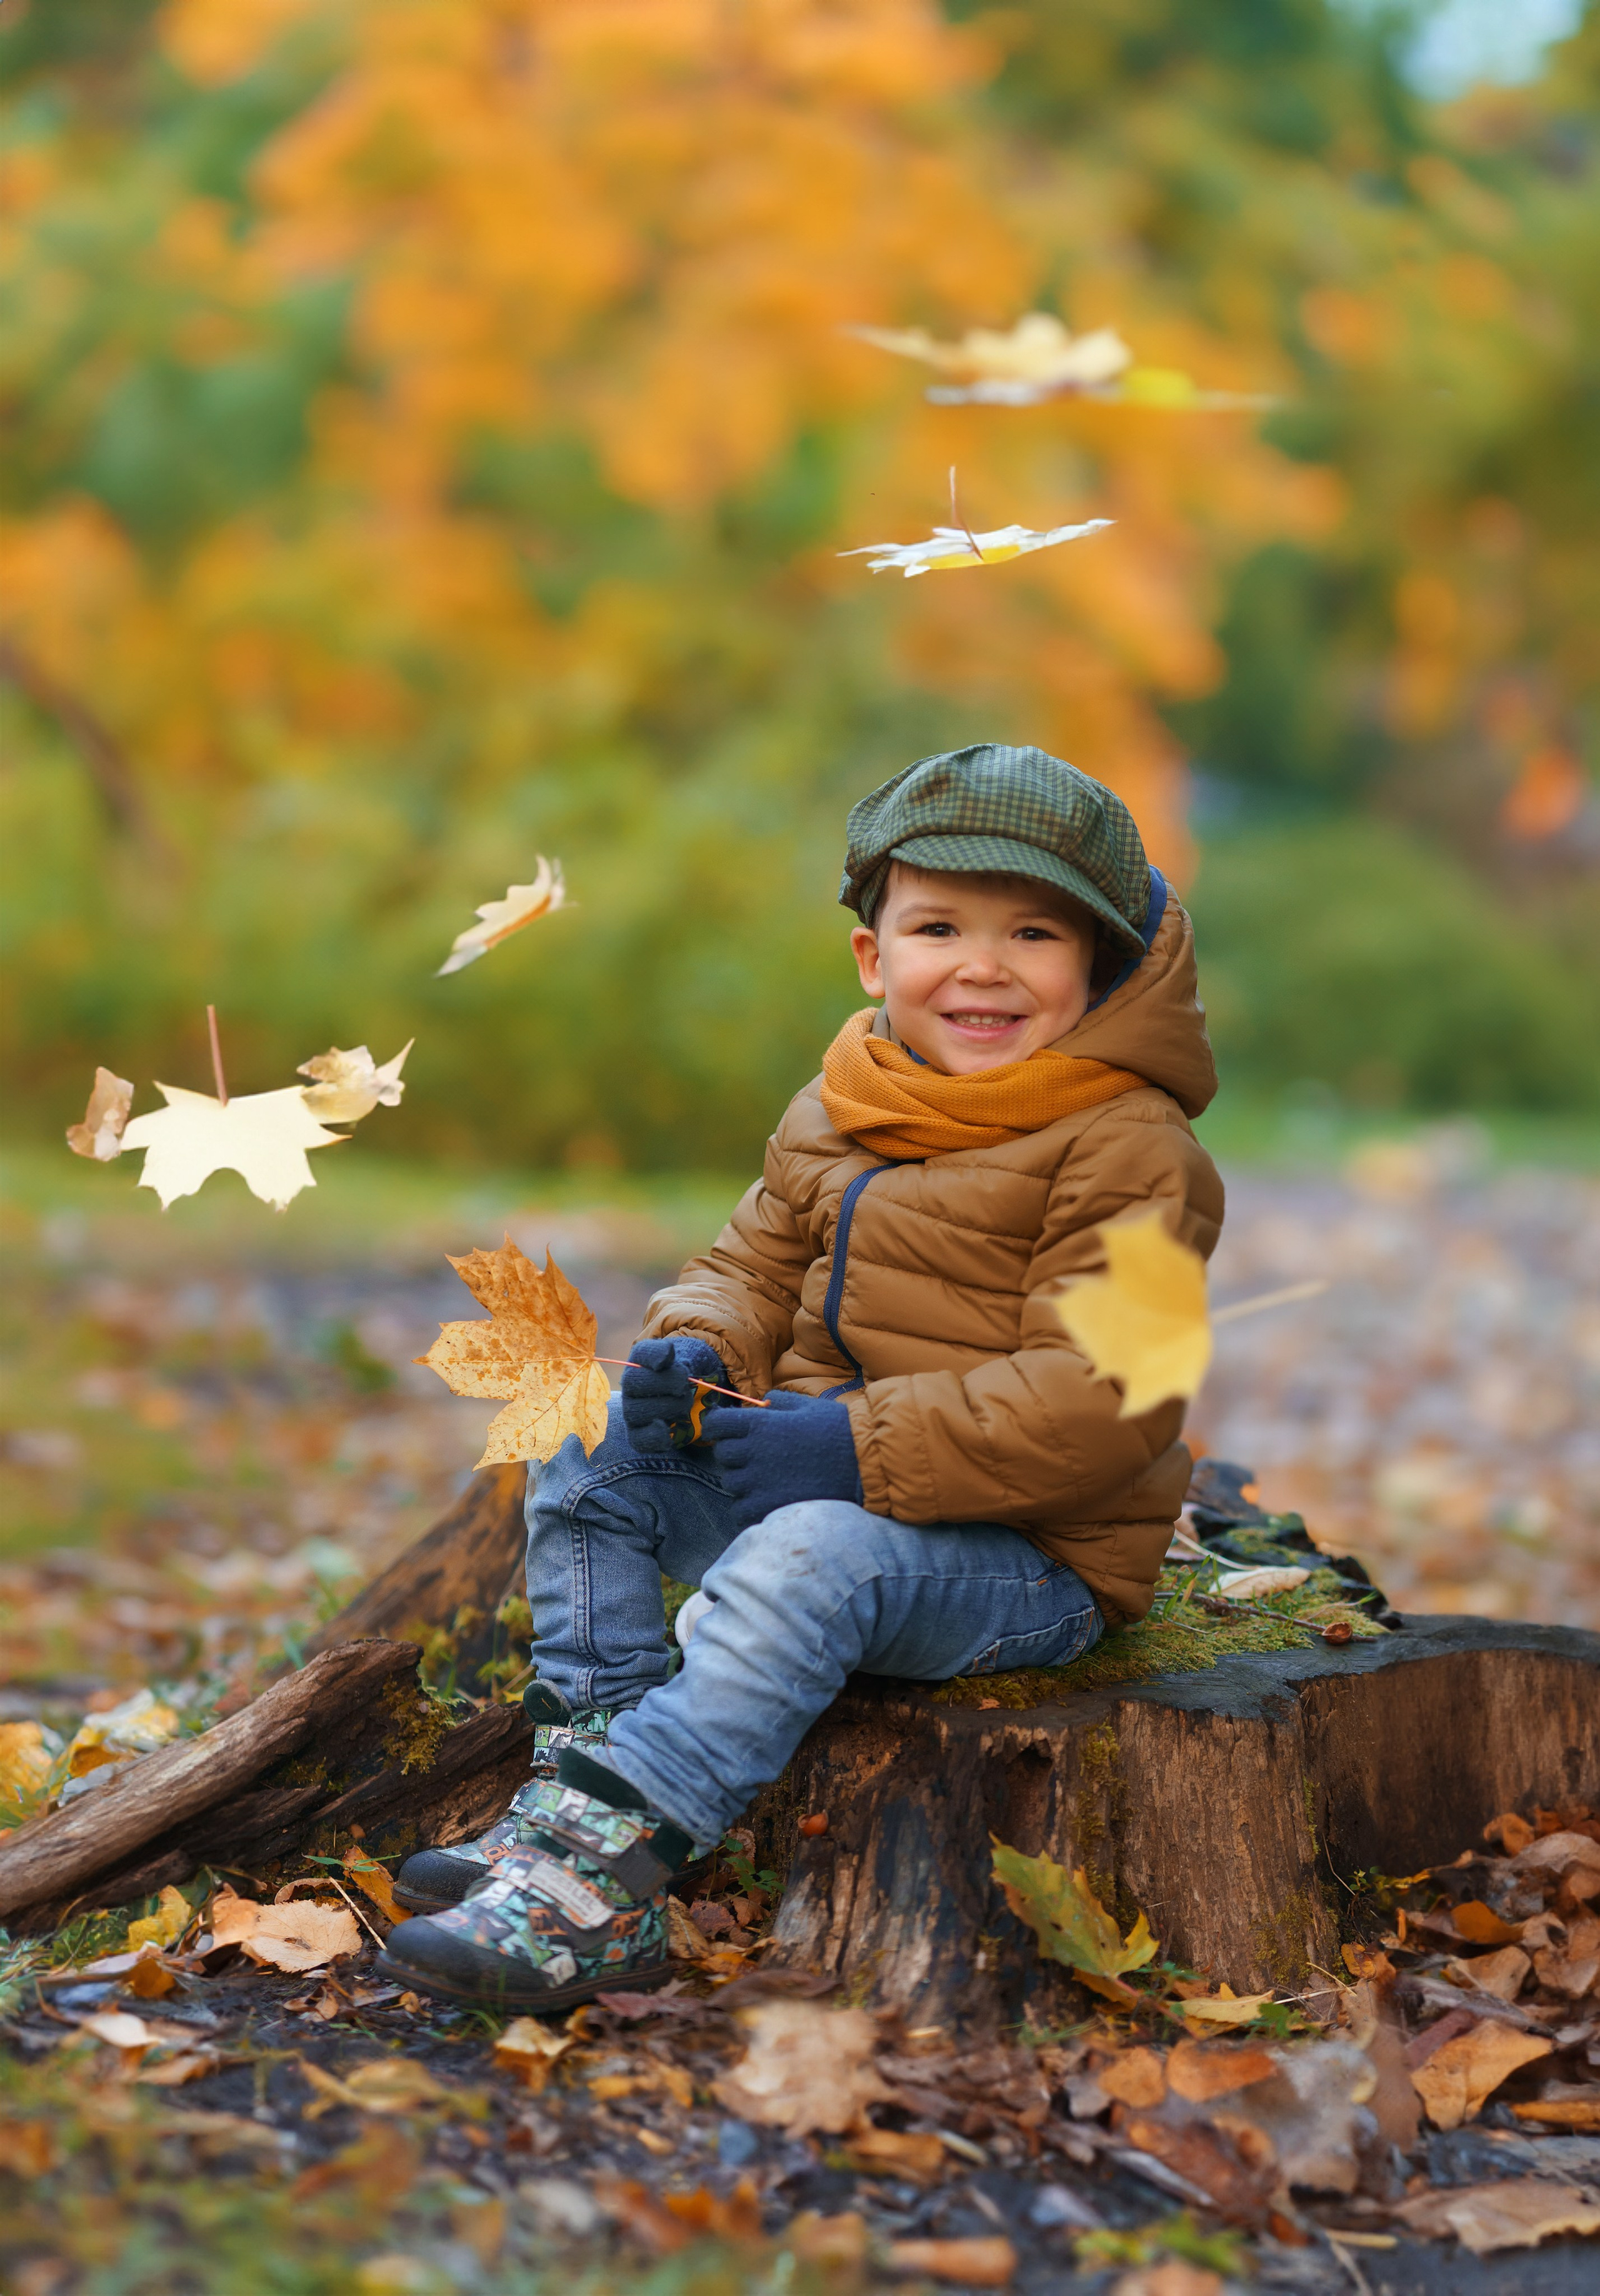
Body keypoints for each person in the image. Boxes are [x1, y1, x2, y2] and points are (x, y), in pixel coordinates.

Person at [379, 743, 1224, 2008]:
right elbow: (747, 1264)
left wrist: (850, 1447)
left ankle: (610, 1884)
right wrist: (699, 1347)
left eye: (1033, 934)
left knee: (808, 1556)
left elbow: (1104, 1405)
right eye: (938, 925)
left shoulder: (1131, 1150)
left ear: (1092, 968)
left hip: (1026, 1554)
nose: (982, 965)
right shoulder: (840, 1101)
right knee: (591, 1433)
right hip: (832, 1477)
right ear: (874, 957)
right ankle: (577, 1786)